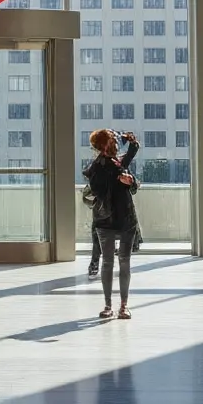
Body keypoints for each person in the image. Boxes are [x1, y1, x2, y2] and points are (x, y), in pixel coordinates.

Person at [85, 127, 141, 320]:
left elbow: (134, 183)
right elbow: (97, 189)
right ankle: (108, 304)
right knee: (108, 262)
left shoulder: (118, 162)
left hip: (126, 218)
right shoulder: (98, 166)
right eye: (112, 140)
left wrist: (130, 180)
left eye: (116, 140)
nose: (116, 143)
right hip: (105, 220)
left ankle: (124, 305)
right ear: (103, 145)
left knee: (124, 261)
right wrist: (118, 177)